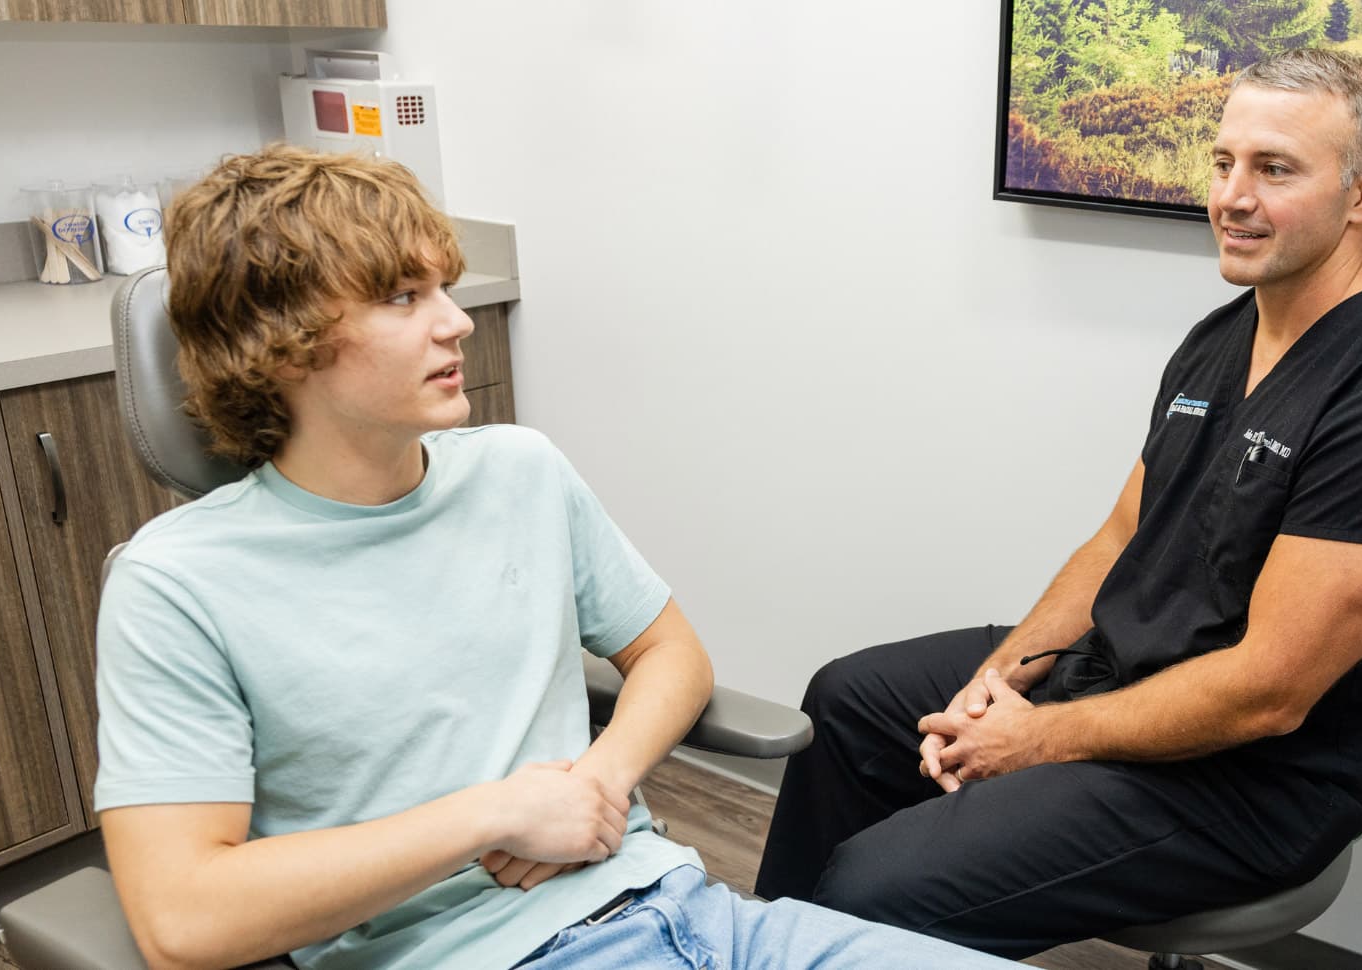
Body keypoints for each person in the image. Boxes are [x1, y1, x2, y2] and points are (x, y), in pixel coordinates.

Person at [93, 145, 1020, 970]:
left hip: (690, 914)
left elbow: (672, 654)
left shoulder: (517, 471)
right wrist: (493, 816)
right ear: (277, 343)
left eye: (445, 286)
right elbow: (184, 920)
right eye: (402, 297)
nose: (456, 322)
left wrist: (599, 781)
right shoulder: (178, 583)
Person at [754, 48, 1362, 958]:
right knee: (850, 702)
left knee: (875, 885)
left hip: (1245, 783)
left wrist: (1035, 741)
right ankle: (767, 950)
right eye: (1224, 162)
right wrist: (1009, 677)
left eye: (1275, 169)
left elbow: (1265, 695)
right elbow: (1120, 538)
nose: (1232, 196)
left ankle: (854, 932)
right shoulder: (1222, 339)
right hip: (1120, 673)